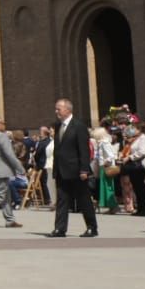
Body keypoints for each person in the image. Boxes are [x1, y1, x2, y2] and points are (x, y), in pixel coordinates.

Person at [50, 99, 96, 238]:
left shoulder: (78, 126)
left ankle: (91, 227)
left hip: (76, 170)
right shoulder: (58, 126)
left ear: (68, 109)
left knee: (83, 199)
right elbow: (58, 149)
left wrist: (84, 169)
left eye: (59, 109)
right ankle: (60, 229)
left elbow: (84, 149)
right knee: (62, 200)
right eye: (56, 109)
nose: (56, 111)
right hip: (61, 170)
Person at [123, 124, 145, 216]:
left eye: (134, 128)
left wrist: (130, 157)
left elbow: (142, 151)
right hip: (134, 167)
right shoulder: (134, 139)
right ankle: (140, 209)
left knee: (143, 189)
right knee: (137, 188)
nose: (132, 130)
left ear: (139, 130)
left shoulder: (143, 138)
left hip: (141, 166)